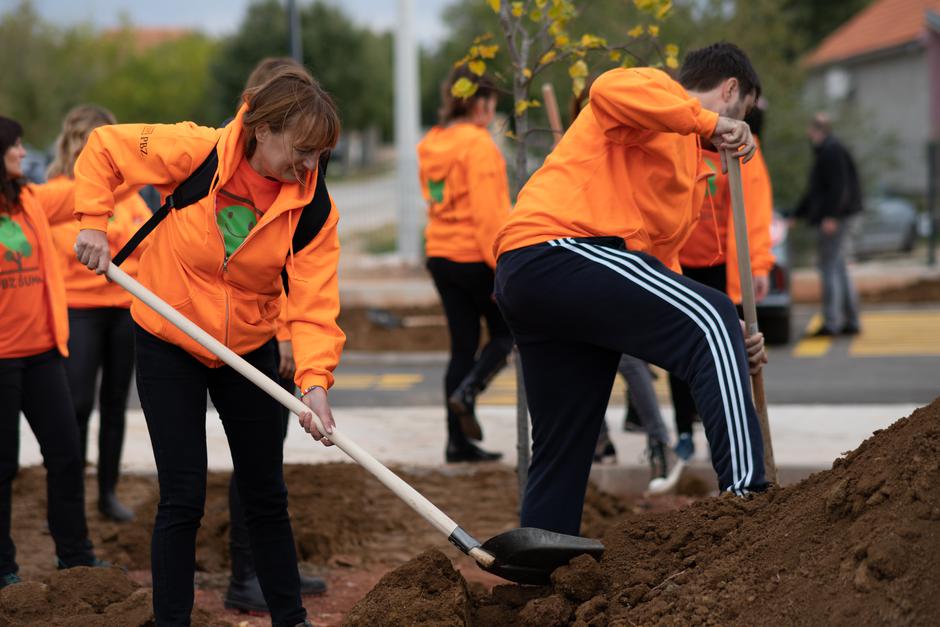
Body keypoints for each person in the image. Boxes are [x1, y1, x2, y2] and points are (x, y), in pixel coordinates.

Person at [73, 67, 343, 627]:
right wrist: (93, 222)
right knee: (183, 496)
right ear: (264, 130)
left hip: (249, 348)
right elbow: (106, 148)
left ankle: (290, 619)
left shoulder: (314, 209)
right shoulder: (197, 152)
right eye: (302, 150)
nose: (310, 166)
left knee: (265, 493)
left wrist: (314, 383)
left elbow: (314, 304)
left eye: (319, 155)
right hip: (168, 337)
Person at [493, 43, 769, 536]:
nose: (736, 132)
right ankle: (750, 504)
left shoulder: (686, 166)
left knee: (565, 439)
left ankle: (537, 569)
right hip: (559, 247)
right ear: (730, 90)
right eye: (742, 114)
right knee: (712, 317)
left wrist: (732, 334)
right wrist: (711, 123)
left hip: (542, 277)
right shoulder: (658, 92)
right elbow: (606, 89)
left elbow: (658, 278)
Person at [223, 57, 328, 615]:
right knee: (254, 467)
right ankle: (246, 577)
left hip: (276, 333)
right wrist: (285, 336)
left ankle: (264, 574)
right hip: (252, 336)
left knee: (264, 468)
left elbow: (303, 268)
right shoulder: (233, 168)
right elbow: (257, 271)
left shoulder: (302, 178)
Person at [0, 116, 107, 590]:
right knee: (2, 466)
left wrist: (132, 161)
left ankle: (75, 558)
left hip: (44, 352)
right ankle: (3, 569)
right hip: (1, 358)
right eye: (15, 146)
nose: (23, 153)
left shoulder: (30, 199)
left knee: (66, 455)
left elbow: (89, 191)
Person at [46, 105, 152, 523]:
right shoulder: (58, 193)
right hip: (79, 310)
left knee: (114, 404)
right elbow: (64, 252)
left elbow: (148, 240)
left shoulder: (126, 195)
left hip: (125, 311)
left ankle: (107, 493)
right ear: (76, 144)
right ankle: (66, 494)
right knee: (77, 403)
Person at [570, 76, 674, 478]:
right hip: (593, 265)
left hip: (611, 262)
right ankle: (623, 440)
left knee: (623, 360)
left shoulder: (620, 145)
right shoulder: (584, 151)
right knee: (609, 360)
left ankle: (652, 439)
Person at [668, 100, 776, 463]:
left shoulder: (744, 152)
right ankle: (683, 430)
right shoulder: (680, 143)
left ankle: (733, 441)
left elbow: (756, 214)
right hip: (679, 264)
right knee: (679, 351)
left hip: (721, 269)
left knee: (730, 353)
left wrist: (758, 265)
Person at [417, 67, 512, 463]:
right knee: (507, 334)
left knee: (462, 347)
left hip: (440, 254)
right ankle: (468, 392)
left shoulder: (432, 142)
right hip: (475, 257)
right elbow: (490, 215)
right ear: (480, 103)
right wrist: (503, 265)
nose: (492, 112)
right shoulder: (478, 145)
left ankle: (457, 442)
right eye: (491, 104)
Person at [794, 112, 862, 336]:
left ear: (816, 131)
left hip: (836, 219)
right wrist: (797, 214)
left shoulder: (830, 151)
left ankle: (832, 322)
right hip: (841, 216)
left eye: (810, 131)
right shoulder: (831, 150)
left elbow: (837, 187)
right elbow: (817, 191)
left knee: (829, 268)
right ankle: (851, 320)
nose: (808, 135)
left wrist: (831, 216)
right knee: (839, 268)